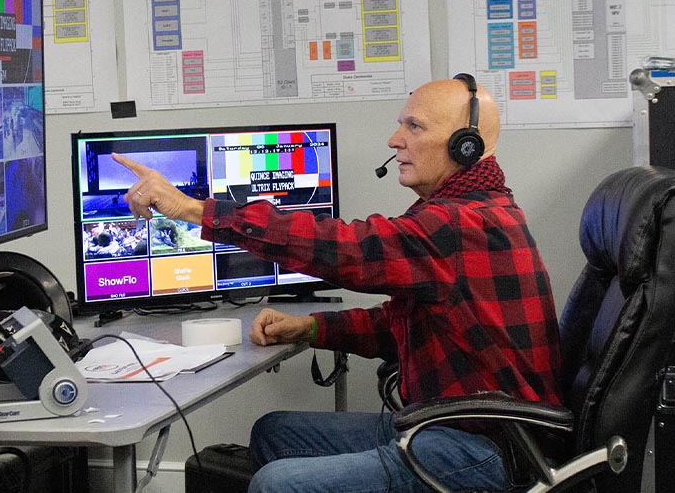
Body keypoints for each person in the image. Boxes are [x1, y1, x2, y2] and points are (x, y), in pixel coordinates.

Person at [113, 75, 563, 492]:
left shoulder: (461, 224)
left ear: (465, 146)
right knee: (275, 433)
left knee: (277, 483)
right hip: (453, 426)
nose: (395, 139)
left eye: (414, 126)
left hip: (482, 450)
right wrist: (311, 329)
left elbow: (345, 247)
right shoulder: (469, 212)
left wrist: (193, 210)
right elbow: (411, 325)